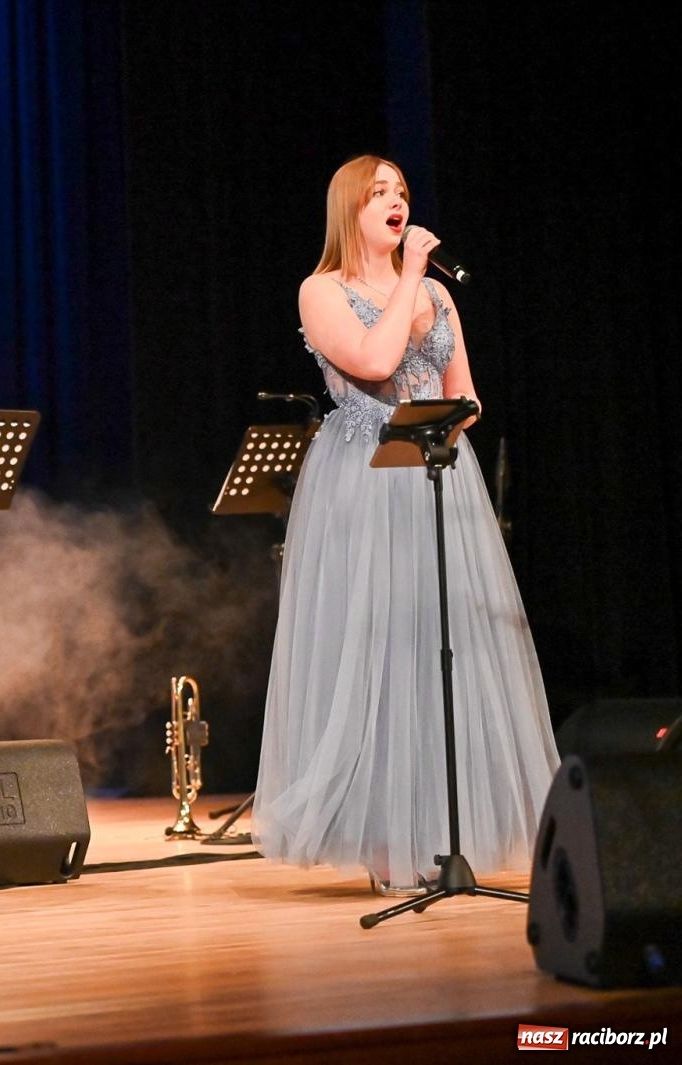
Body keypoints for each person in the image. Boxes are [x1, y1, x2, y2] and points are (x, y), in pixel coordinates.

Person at [252, 155, 559, 895]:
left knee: (443, 643)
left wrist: (454, 421)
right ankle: (387, 840)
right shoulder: (322, 290)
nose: (397, 203)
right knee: (381, 647)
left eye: (402, 192)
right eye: (380, 193)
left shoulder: (438, 295)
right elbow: (375, 358)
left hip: (438, 472)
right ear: (350, 209)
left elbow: (467, 394)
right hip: (365, 476)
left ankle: (447, 831)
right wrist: (412, 274)